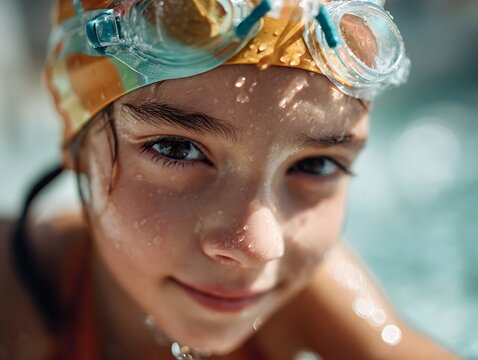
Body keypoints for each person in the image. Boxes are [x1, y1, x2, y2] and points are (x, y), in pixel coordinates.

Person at [0, 0, 458, 359]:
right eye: (177, 149)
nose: (257, 246)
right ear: (77, 139)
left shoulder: (311, 296)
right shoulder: (16, 291)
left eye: (316, 165)